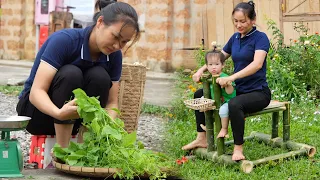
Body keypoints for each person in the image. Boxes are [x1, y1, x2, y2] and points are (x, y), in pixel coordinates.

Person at [16, 1, 140, 148]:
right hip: (39, 115)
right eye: (115, 37)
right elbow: (36, 92)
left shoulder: (114, 55)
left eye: (124, 42)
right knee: (71, 73)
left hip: (76, 121)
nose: (117, 46)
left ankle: (84, 151)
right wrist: (59, 113)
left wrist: (109, 128)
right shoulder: (64, 41)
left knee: (99, 76)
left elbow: (111, 103)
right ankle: (62, 152)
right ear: (100, 22)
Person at [185, 1, 271, 161]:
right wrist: (201, 70)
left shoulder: (260, 38)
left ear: (253, 20)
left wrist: (231, 77)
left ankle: (238, 148)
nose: (238, 25)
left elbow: (257, 64)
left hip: (257, 92)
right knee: (199, 93)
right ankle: (202, 138)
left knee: (235, 104)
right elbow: (218, 58)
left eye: (243, 21)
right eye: (236, 21)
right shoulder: (235, 38)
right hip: (238, 90)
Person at [182, 45, 236, 151]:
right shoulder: (210, 76)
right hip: (214, 100)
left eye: (217, 64)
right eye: (210, 65)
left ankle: (224, 129)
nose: (213, 67)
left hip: (226, 101)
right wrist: (198, 77)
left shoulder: (224, 77)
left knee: (223, 110)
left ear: (223, 65)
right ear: (206, 66)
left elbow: (231, 92)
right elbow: (204, 84)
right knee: (202, 100)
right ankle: (206, 125)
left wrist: (227, 84)